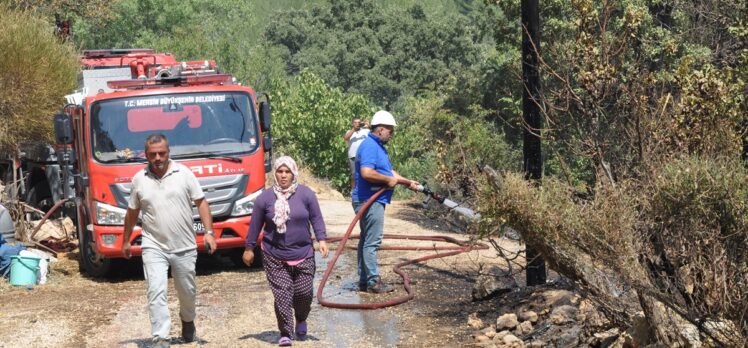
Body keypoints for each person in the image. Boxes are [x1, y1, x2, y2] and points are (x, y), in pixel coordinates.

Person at [122, 133, 217, 348]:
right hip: (153, 245)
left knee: (187, 291)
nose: (158, 158)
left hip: (184, 246)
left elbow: (201, 202)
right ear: (145, 155)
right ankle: (161, 337)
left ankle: (188, 321)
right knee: (156, 290)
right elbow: (131, 212)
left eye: (161, 153)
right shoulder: (139, 179)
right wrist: (126, 240)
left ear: (168, 152)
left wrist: (208, 232)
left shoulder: (184, 174)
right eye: (153, 154)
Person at [242, 156, 329, 347]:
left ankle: (301, 318)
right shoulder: (264, 199)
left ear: (293, 173)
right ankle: (285, 332)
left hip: (303, 253)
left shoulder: (306, 195)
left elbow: (316, 218)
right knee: (282, 293)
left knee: (304, 293)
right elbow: (255, 226)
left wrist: (322, 239)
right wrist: (249, 248)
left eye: (287, 172)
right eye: (280, 172)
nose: (283, 176)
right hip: (274, 255)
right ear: (275, 173)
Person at [352, 110, 419, 293]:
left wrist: (407, 182)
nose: (392, 134)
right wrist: (387, 181)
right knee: (372, 241)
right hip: (369, 199)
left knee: (366, 239)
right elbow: (367, 172)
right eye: (390, 130)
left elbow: (389, 173)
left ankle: (365, 280)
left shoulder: (378, 147)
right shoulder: (370, 146)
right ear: (380, 129)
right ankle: (373, 281)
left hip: (370, 199)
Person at [343, 116, 370, 189]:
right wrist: (353, 130)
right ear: (352, 123)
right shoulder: (349, 131)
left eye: (359, 122)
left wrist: (369, 126)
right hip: (353, 156)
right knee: (354, 175)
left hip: (363, 156)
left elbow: (374, 135)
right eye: (355, 122)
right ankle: (353, 192)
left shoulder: (365, 131)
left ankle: (363, 192)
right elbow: (345, 138)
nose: (357, 124)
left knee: (365, 174)